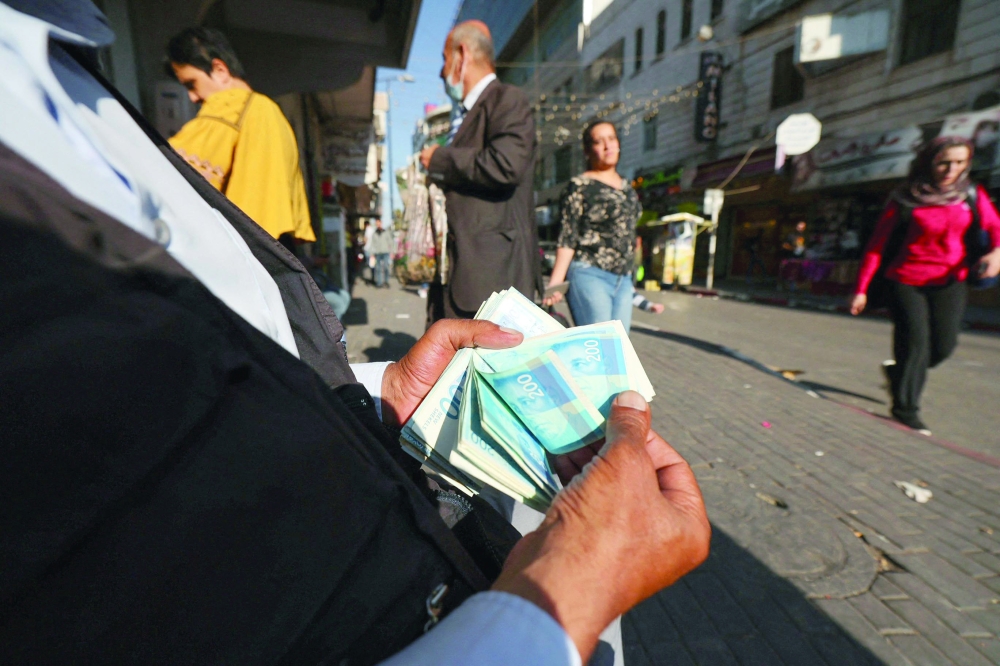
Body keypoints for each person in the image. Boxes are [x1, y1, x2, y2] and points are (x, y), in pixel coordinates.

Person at [0, 3, 710, 664]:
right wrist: (563, 595)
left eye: (444, 63)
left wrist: (372, 393)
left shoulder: (66, 63)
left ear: (463, 56)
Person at [850, 137, 1000, 434]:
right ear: (928, 162)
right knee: (915, 343)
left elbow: (995, 227)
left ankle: (899, 373)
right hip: (906, 279)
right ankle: (906, 409)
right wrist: (861, 288)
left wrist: (997, 252)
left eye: (959, 163)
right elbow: (876, 246)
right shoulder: (905, 197)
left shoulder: (970, 194)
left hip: (950, 280)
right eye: (943, 162)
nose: (951, 169)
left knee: (943, 346)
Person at [419, 21, 539, 326]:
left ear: (462, 54)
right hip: (461, 277)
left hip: (491, 281)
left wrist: (440, 159)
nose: (442, 71)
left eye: (445, 59)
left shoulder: (506, 100)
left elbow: (505, 165)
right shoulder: (467, 114)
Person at [165, 27, 316, 246]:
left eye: (191, 84)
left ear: (219, 70)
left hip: (244, 248)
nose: (192, 97)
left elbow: (172, 171)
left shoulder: (231, 105)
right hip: (279, 250)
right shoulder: (273, 113)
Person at [545, 121, 643, 331]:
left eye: (612, 138)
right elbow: (567, 236)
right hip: (589, 273)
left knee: (618, 348)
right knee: (600, 346)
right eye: (599, 142)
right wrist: (556, 282)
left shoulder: (628, 187)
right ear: (588, 151)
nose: (608, 146)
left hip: (623, 279)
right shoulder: (579, 186)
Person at [369, 218, 395, 288]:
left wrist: (392, 252)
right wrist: (371, 254)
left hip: (385, 252)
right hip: (377, 253)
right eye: (377, 224)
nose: (378, 225)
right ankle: (379, 282)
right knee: (378, 268)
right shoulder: (374, 233)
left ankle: (386, 281)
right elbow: (372, 244)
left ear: (381, 223)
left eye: (379, 223)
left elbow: (390, 242)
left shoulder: (386, 232)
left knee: (386, 267)